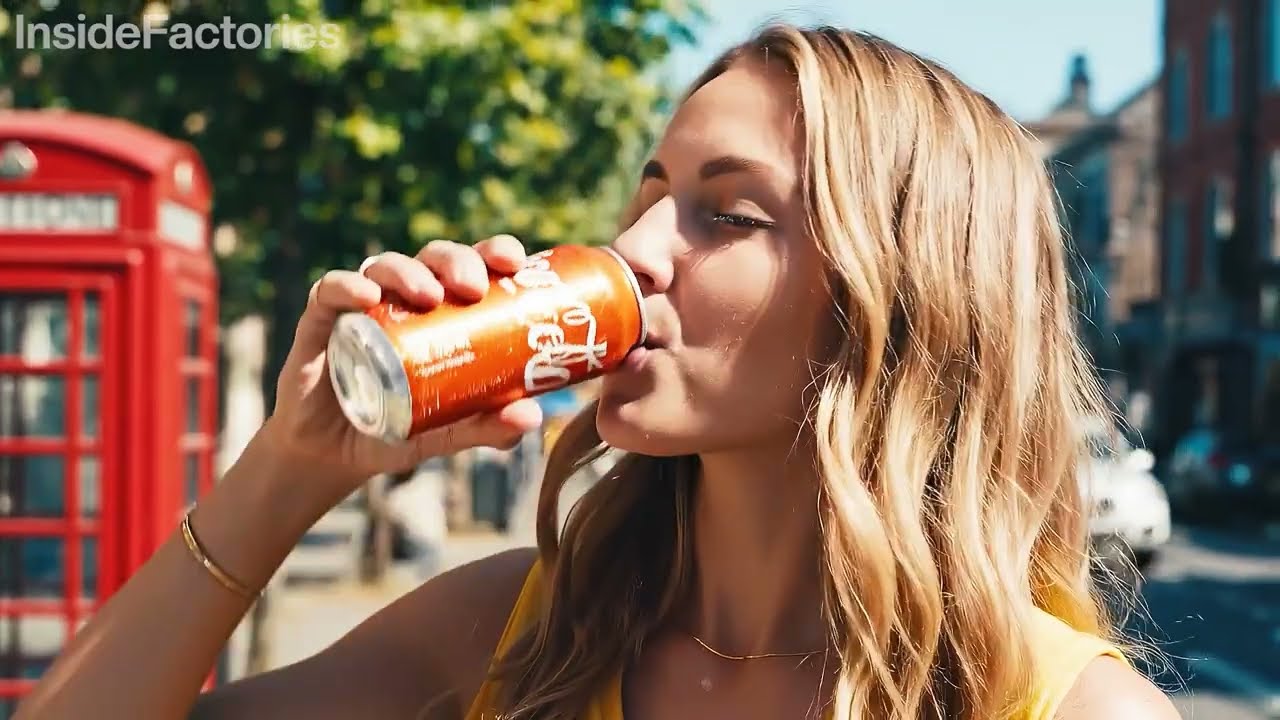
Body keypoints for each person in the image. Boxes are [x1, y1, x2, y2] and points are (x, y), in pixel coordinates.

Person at [15, 24, 1180, 720]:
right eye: (647, 196)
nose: (630, 255)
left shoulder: (1064, 707)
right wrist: (284, 470)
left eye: (724, 216)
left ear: (904, 302)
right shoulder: (516, 636)